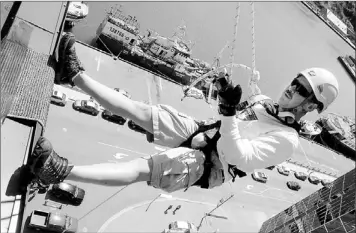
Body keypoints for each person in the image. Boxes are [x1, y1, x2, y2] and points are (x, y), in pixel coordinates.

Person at [28, 33, 339, 193]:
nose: (292, 88)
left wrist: (229, 112)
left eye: (301, 90)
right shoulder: (266, 103)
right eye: (295, 81)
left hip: (209, 163)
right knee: (141, 111)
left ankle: (57, 173)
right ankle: (75, 77)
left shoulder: (286, 140)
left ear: (310, 107)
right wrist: (224, 91)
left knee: (142, 169)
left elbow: (238, 156)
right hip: (204, 131)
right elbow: (232, 116)